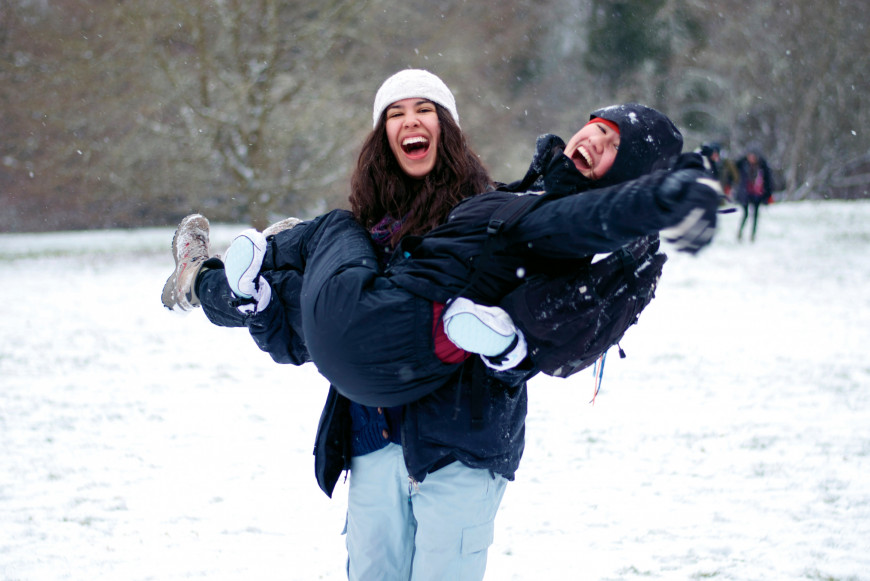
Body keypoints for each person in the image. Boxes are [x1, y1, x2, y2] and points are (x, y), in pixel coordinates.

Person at [161, 70, 720, 580]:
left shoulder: (488, 208)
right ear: (379, 139)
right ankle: (211, 276)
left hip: (457, 440)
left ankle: (269, 251)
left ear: (447, 130)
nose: (410, 123)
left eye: (425, 110)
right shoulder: (364, 231)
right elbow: (302, 338)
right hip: (371, 433)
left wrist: (511, 346)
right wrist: (258, 306)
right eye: (395, 115)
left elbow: (557, 306)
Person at [735, 145, 774, 242]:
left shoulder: (762, 166)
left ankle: (753, 235)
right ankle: (740, 232)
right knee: (745, 214)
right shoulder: (742, 164)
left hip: (757, 194)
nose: (751, 158)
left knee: (756, 215)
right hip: (746, 193)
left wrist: (768, 195)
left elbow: (768, 181)